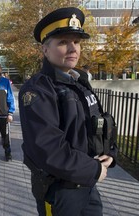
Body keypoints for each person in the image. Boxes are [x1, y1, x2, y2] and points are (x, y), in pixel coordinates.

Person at [18, 7, 117, 216]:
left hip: (87, 185)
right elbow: (48, 148)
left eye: (77, 42)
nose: (73, 49)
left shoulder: (79, 81)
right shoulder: (38, 90)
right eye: (63, 42)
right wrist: (94, 170)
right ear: (45, 49)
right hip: (60, 192)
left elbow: (95, 124)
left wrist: (109, 153)